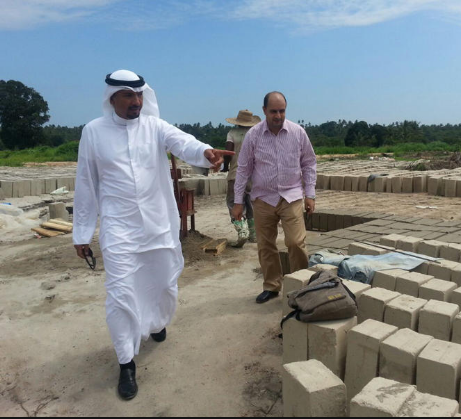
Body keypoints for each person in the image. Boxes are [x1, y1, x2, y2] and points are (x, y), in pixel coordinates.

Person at [72, 69, 234, 400]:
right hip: (119, 229)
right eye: (128, 95)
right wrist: (82, 232)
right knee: (120, 294)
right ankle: (126, 362)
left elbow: (184, 142)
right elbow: (86, 182)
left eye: (139, 95)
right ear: (112, 98)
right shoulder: (93, 132)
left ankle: (158, 323)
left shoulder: (154, 127)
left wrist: (205, 153)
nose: (136, 101)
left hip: (158, 225)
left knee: (162, 283)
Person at [232, 92, 316, 304]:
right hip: (263, 198)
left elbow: (309, 163)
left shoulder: (297, 132)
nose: (278, 116)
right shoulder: (253, 135)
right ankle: (271, 285)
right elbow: (243, 169)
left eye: (282, 111)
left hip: (291, 195)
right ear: (264, 111)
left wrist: (310, 194)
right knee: (266, 244)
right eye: (273, 111)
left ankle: (301, 287)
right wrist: (238, 201)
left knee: (296, 242)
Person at [222, 109, 261, 247]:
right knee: (251, 204)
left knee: (233, 203)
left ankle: (242, 231)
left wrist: (225, 166)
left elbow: (228, 152)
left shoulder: (232, 133)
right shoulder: (256, 133)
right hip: (253, 175)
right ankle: (254, 234)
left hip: (236, 173)